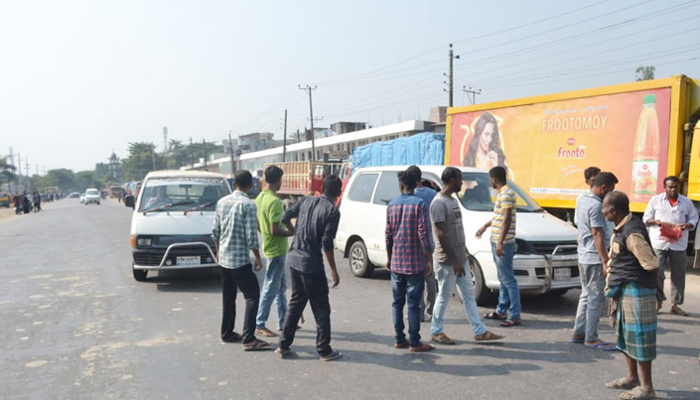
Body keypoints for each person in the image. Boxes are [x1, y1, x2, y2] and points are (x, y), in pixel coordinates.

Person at [430, 167, 504, 345]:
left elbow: (456, 231)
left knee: (469, 296)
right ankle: (436, 331)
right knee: (444, 296)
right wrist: (454, 260)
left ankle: (479, 331)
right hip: (447, 262)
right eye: (460, 179)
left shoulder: (452, 200)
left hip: (460, 259)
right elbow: (441, 234)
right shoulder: (438, 203)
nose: (462, 183)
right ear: (452, 180)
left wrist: (465, 254)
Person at [276, 175, 343, 361]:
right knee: (321, 309)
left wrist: (296, 232)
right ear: (338, 193)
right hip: (311, 264)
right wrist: (334, 270)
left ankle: (283, 345)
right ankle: (324, 350)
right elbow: (327, 243)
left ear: (321, 189)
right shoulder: (332, 211)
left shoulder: (306, 200)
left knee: (296, 303)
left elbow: (285, 217)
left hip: (294, 260)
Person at [603, 191, 661, 400]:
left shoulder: (632, 232)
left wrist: (656, 291)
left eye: (604, 208)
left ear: (613, 210)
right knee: (626, 335)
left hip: (637, 291)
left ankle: (647, 388)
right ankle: (632, 378)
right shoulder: (622, 227)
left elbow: (651, 264)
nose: (602, 211)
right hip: (626, 290)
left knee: (639, 338)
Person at [211, 170, 269, 351]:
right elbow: (251, 236)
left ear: (234, 184)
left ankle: (227, 332)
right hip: (239, 260)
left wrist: (218, 251)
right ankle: (249, 338)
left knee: (228, 296)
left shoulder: (222, 202)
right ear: (250, 186)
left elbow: (215, 231)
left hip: (224, 258)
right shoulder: (248, 205)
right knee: (252, 296)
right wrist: (258, 258)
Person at [385, 170, 434, 352]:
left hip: (397, 263)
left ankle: (399, 339)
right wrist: (428, 258)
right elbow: (424, 234)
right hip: (415, 264)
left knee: (397, 303)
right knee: (413, 304)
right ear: (415, 185)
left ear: (400, 186)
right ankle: (414, 341)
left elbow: (388, 235)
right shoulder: (420, 204)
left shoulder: (391, 205)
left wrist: (389, 258)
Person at [571, 172, 618, 350]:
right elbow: (597, 233)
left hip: (584, 255)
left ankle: (579, 332)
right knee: (595, 298)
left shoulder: (582, 200)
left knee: (586, 295)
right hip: (594, 257)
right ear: (603, 187)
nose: (611, 194)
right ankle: (591, 337)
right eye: (611, 190)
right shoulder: (597, 205)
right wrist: (605, 260)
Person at [642, 175, 698, 316]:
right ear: (664, 187)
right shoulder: (656, 200)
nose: (673, 189)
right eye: (670, 187)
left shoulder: (686, 202)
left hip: (679, 244)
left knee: (678, 275)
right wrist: (657, 222)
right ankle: (658, 302)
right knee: (657, 274)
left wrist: (687, 225)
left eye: (675, 187)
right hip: (659, 243)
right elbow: (646, 218)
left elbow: (694, 217)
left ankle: (675, 305)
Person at [476, 166, 521, 327]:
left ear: (494, 179)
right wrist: (485, 226)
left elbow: (506, 219)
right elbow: (499, 216)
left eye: (490, 179)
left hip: (504, 243)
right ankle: (501, 309)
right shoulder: (503, 194)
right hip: (497, 240)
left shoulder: (506, 194)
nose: (490, 182)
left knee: (508, 280)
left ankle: (515, 314)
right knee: (503, 278)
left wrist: (500, 241)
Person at [254, 165, 294, 337]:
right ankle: (259, 323)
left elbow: (259, 225)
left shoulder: (260, 198)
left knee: (280, 287)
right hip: (276, 250)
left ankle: (283, 321)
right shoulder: (274, 201)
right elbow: (275, 230)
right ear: (278, 180)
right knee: (271, 287)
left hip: (270, 247)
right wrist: (292, 233)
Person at [406, 165, 438, 323]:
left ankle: (418, 312)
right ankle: (431, 311)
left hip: (413, 242)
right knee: (430, 276)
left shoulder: (409, 196)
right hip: (430, 239)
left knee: (415, 278)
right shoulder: (433, 194)